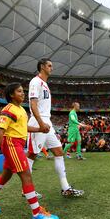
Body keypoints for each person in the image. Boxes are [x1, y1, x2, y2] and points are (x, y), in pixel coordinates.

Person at [0, 83, 60, 219]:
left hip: (16, 144)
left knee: (6, 175)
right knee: (26, 175)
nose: (23, 94)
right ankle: (37, 214)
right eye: (19, 91)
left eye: (23, 91)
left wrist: (40, 129)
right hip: (11, 144)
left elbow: (23, 128)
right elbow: (0, 132)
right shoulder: (8, 110)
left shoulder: (21, 110)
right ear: (11, 94)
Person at [27, 58, 84, 197]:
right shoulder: (35, 82)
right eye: (49, 65)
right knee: (32, 155)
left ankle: (65, 188)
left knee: (59, 152)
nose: (52, 68)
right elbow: (33, 104)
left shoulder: (45, 84)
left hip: (48, 122)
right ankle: (26, 189)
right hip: (39, 122)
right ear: (42, 67)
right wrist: (40, 124)